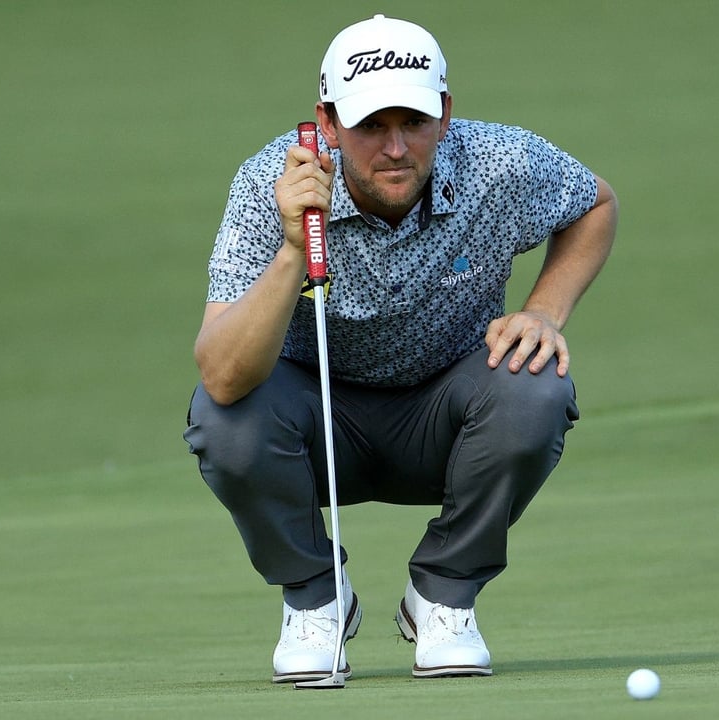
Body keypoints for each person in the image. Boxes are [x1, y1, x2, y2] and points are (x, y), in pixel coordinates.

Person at [183, 14, 616, 683]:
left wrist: (544, 311)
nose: (394, 148)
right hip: (316, 421)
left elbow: (594, 204)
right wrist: (296, 247)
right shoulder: (268, 182)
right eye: (369, 127)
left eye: (412, 122)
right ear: (326, 124)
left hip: (449, 416)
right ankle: (315, 600)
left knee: (536, 383)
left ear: (444, 114)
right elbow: (222, 372)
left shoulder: (497, 163)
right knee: (224, 418)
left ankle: (444, 596)